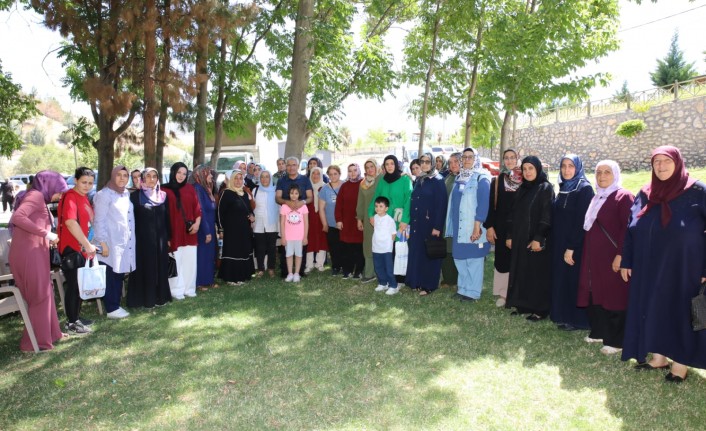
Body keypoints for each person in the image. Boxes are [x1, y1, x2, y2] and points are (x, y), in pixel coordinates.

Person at [620, 146, 706, 383]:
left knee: (679, 312)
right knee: (654, 308)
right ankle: (659, 358)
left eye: (666, 161)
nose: (660, 166)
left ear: (677, 163)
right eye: (656, 161)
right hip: (650, 265)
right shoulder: (647, 192)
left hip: (685, 267)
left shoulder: (697, 191)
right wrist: (627, 259)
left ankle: (680, 364)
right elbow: (630, 227)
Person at [577, 160, 634, 355]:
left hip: (612, 257)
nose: (602, 176)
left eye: (607, 172)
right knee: (596, 292)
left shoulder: (623, 196)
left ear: (616, 174)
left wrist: (621, 255)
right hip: (594, 257)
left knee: (615, 295)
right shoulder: (597, 197)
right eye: (599, 172)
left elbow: (628, 229)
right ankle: (600, 331)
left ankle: (617, 340)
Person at [8, 171, 68, 351]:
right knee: (40, 296)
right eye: (59, 190)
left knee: (46, 292)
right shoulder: (35, 196)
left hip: (35, 252)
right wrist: (46, 233)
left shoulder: (39, 198)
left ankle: (53, 334)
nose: (60, 195)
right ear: (48, 184)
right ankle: (37, 343)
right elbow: (18, 218)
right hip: (29, 254)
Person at [506, 156, 554, 321]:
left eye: (531, 168)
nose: (527, 172)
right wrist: (510, 236)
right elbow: (512, 214)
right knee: (521, 271)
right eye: (524, 169)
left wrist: (538, 238)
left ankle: (539, 309)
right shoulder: (522, 188)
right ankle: (523, 305)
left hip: (535, 239)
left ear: (538, 169)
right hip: (520, 238)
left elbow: (546, 215)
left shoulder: (545, 188)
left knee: (536, 275)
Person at [550, 155, 595, 331]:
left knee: (573, 280)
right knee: (561, 278)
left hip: (574, 244)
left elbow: (581, 222)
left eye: (571, 166)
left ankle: (576, 320)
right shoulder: (563, 187)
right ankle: (561, 315)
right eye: (563, 166)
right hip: (559, 242)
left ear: (578, 168)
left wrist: (571, 247)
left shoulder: (584, 189)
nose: (567, 170)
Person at [57, 167, 99, 335]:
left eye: (90, 183)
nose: (87, 186)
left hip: (81, 248)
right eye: (83, 182)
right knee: (74, 286)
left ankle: (75, 317)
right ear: (75, 180)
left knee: (79, 284)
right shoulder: (70, 197)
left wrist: (88, 244)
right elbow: (70, 223)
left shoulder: (83, 197)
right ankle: (72, 323)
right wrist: (87, 245)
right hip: (71, 248)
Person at [445, 148, 491, 302]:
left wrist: (477, 226)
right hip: (459, 228)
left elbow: (484, 204)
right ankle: (463, 288)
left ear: (476, 159)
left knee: (473, 260)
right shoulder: (460, 178)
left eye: (470, 157)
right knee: (460, 259)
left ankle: (473, 292)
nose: (466, 160)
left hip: (473, 227)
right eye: (464, 157)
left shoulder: (482, 178)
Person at [93, 166, 135, 320]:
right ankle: (112, 307)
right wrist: (102, 243)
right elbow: (99, 221)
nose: (122, 178)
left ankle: (115, 304)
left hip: (122, 241)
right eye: (119, 175)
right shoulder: (104, 195)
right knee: (111, 273)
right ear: (112, 176)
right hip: (109, 241)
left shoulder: (125, 194)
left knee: (118, 272)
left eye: (125, 175)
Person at [127, 168, 172, 309]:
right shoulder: (135, 197)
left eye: (154, 176)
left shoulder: (163, 195)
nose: (151, 179)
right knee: (146, 268)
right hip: (142, 241)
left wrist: (168, 238)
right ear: (142, 179)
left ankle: (160, 297)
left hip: (160, 241)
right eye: (148, 176)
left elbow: (167, 218)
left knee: (160, 267)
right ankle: (146, 299)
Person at [405, 153, 448, 295]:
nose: (424, 164)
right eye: (422, 161)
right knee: (417, 252)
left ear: (433, 163)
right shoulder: (420, 179)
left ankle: (428, 285)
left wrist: (437, 227)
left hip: (430, 225)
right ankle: (416, 281)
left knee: (430, 254)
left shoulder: (438, 180)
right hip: (417, 223)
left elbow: (441, 206)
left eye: (427, 161)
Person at [484, 149, 522, 307]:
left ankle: (518, 294)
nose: (510, 161)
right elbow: (492, 205)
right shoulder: (498, 180)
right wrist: (490, 226)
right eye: (506, 158)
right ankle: (502, 293)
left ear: (517, 159)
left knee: (519, 261)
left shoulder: (526, 179)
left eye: (513, 158)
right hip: (501, 227)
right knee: (502, 260)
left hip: (519, 227)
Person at [369, 155, 413, 286]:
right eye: (387, 164)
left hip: (400, 220)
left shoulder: (405, 180)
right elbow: (376, 199)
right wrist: (371, 214)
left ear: (396, 165)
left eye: (392, 164)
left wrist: (405, 220)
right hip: (384, 222)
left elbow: (408, 200)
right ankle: (389, 278)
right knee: (388, 249)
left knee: (400, 248)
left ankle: (400, 279)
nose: (389, 166)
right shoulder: (382, 181)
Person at [163, 162, 202, 299]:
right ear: (173, 172)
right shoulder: (164, 190)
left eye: (184, 173)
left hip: (190, 231)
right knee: (176, 261)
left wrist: (197, 224)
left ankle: (189, 288)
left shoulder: (190, 188)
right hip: (174, 232)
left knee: (190, 261)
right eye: (179, 172)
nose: (181, 176)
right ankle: (176, 290)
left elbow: (197, 208)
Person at [276, 157, 313, 277]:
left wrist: (302, 202)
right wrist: (288, 202)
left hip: (301, 218)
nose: (291, 167)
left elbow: (310, 197)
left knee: (301, 247)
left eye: (294, 165)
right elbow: (277, 198)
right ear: (286, 167)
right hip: (286, 217)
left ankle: (299, 271)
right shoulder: (281, 180)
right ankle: (286, 272)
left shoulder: (305, 180)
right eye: (289, 165)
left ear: (298, 166)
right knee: (286, 247)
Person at [218, 171, 255, 285]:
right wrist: (221, 229)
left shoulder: (244, 193)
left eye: (240, 178)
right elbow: (219, 213)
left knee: (243, 251)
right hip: (231, 230)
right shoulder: (227, 193)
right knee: (233, 252)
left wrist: (252, 215)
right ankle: (231, 277)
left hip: (244, 229)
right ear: (231, 180)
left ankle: (242, 275)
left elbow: (248, 209)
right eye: (236, 178)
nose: (238, 181)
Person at [335, 163, 365, 279]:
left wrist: (361, 219)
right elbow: (338, 205)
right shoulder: (344, 186)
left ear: (359, 171)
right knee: (346, 248)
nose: (352, 173)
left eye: (355, 170)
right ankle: (347, 270)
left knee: (358, 248)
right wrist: (338, 220)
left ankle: (358, 271)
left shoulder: (364, 185)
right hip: (346, 222)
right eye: (350, 171)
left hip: (359, 222)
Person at [191, 164, 218, 290]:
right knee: (202, 256)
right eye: (208, 173)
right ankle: (200, 282)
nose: (211, 175)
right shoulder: (197, 188)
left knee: (210, 255)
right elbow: (200, 211)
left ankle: (209, 280)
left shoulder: (206, 188)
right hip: (203, 228)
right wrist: (206, 231)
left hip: (210, 226)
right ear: (201, 174)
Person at [356, 159, 380, 282]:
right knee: (368, 244)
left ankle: (380, 272)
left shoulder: (382, 179)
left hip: (382, 218)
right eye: (367, 167)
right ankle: (370, 272)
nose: (370, 169)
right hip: (367, 218)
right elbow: (360, 202)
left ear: (376, 166)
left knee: (381, 244)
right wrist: (359, 219)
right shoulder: (363, 183)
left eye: (372, 166)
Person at [252, 169, 279, 278]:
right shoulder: (255, 190)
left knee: (272, 247)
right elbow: (252, 206)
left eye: (267, 176)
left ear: (270, 178)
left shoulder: (276, 190)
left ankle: (271, 268)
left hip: (272, 223)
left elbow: (279, 207)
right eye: (262, 176)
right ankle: (261, 269)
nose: (264, 179)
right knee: (260, 247)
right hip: (258, 223)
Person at [280, 183, 309, 282]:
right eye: (292, 193)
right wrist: (283, 237)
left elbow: (306, 222)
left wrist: (305, 237)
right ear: (289, 194)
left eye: (296, 193)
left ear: (299, 194)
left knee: (298, 255)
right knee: (288, 255)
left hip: (300, 237)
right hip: (288, 237)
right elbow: (282, 222)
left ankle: (296, 273)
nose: (294, 195)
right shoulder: (284, 207)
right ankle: (290, 273)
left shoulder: (303, 207)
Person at [441, 152, 461, 288]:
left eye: (456, 161)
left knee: (456, 249)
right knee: (447, 249)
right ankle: (448, 279)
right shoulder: (447, 178)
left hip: (458, 221)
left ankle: (456, 279)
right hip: (445, 221)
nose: (453, 164)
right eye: (451, 162)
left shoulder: (464, 178)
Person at [372, 196, 399, 294]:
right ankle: (383, 283)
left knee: (388, 268)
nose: (378, 208)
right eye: (376, 206)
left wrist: (388, 245)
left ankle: (393, 286)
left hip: (386, 248)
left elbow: (393, 234)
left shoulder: (389, 220)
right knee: (378, 267)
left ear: (386, 208)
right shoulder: (375, 217)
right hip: (376, 247)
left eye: (381, 206)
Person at [320, 165, 344, 275]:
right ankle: (335, 267)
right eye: (330, 174)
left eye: (335, 174)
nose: (333, 176)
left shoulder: (345, 185)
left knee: (345, 246)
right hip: (331, 224)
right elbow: (321, 208)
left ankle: (346, 266)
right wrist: (325, 224)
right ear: (328, 175)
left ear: (339, 174)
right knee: (333, 247)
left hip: (345, 223)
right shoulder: (325, 189)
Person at [305, 167, 329, 273]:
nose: (315, 176)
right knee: (309, 238)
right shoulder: (307, 187)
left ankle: (320, 263)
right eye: (313, 173)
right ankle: (309, 264)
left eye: (318, 174)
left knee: (322, 238)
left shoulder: (325, 187)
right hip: (309, 217)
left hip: (322, 217)